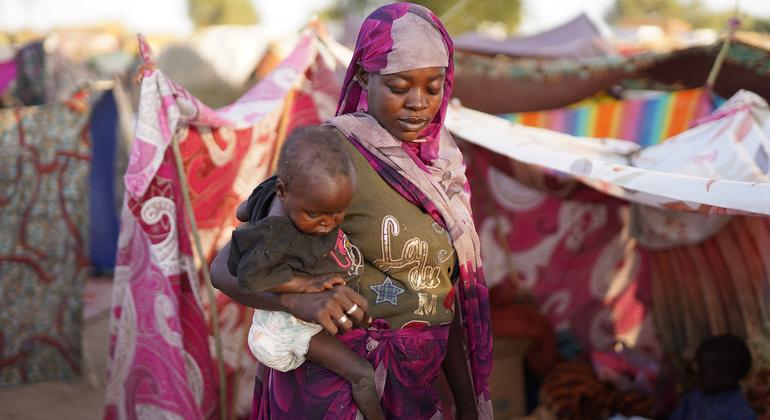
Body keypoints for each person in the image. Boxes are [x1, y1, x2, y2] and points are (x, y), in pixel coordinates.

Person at [211, 3, 493, 419]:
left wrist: (469, 408)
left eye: (433, 87)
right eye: (399, 86)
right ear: (363, 76)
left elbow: (441, 296)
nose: (418, 103)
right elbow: (224, 268)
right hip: (336, 393)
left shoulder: (440, 167)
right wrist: (297, 304)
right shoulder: (331, 159)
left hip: (413, 386)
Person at [228, 126, 383, 420]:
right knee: (362, 374)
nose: (327, 224)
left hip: (296, 317)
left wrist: (259, 211)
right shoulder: (279, 238)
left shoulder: (279, 191)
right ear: (283, 192)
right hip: (286, 326)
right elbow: (249, 277)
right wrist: (305, 284)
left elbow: (242, 211)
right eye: (315, 215)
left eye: (338, 214)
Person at [670, 334, 756, 420]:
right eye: (697, 369)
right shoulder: (693, 398)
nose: (697, 375)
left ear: (726, 378)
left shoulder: (740, 412)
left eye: (703, 373)